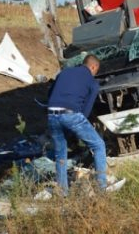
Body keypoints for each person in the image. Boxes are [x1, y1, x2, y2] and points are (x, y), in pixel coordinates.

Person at [47, 54, 107, 194]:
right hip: (71, 115)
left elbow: (50, 93)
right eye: (95, 70)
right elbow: (87, 108)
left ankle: (63, 192)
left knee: (60, 153)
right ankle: (102, 188)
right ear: (93, 67)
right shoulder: (92, 82)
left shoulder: (64, 72)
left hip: (52, 113)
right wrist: (79, 126)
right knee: (98, 145)